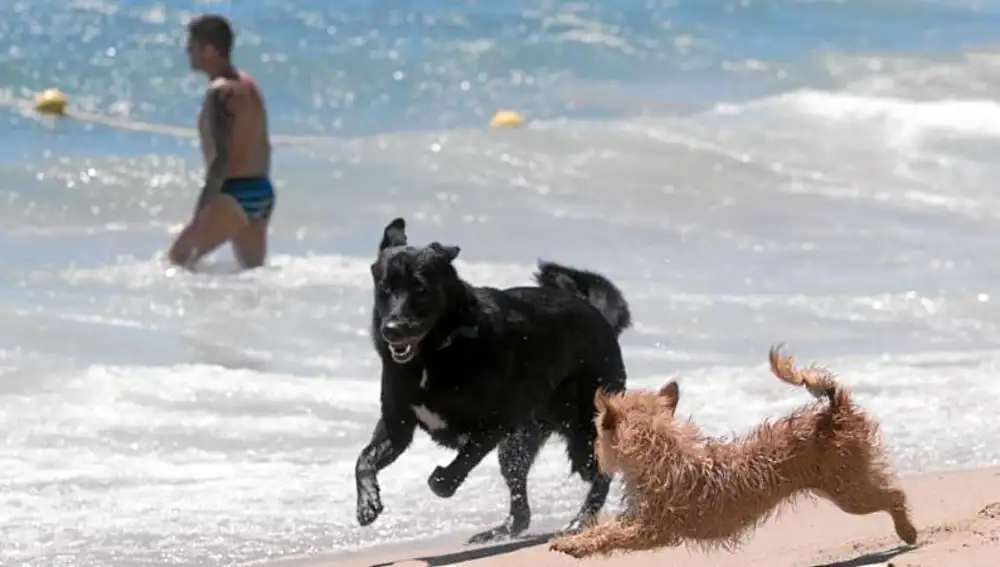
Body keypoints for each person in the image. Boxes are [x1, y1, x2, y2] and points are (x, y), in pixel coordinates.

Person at [167, 14, 275, 270]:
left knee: (176, 263)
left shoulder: (219, 93)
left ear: (210, 50)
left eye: (191, 45)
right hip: (261, 190)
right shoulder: (249, 84)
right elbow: (265, 145)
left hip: (235, 193)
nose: (186, 51)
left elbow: (221, 160)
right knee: (253, 277)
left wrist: (201, 211)